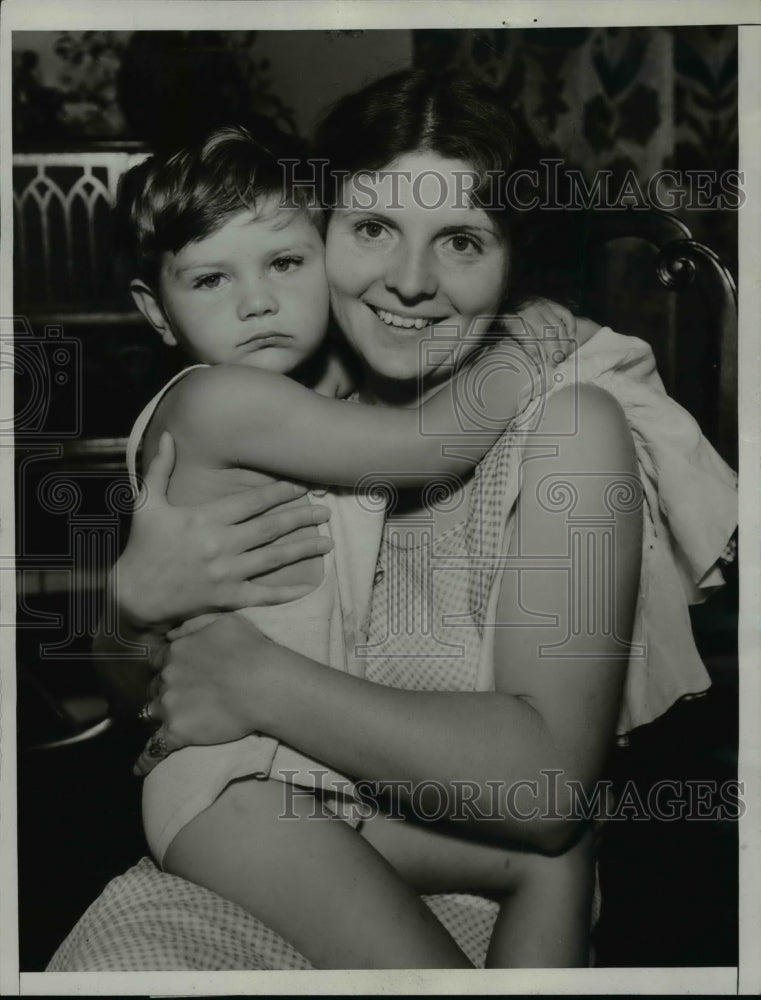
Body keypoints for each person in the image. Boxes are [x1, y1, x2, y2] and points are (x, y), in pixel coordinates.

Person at [49, 70, 737, 973]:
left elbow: (543, 800)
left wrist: (259, 680)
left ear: (513, 259)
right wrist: (128, 613)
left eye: (460, 240)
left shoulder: (569, 427)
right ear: (324, 228)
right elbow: (159, 702)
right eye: (372, 228)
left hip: (420, 873)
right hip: (226, 848)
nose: (409, 283)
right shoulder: (290, 405)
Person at [115, 122, 596, 969]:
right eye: (210, 278)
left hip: (308, 775)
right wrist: (522, 348)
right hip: (231, 790)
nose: (256, 302)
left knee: (555, 854)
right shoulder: (216, 401)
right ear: (155, 310)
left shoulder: (309, 392)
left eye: (285, 264)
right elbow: (423, 446)